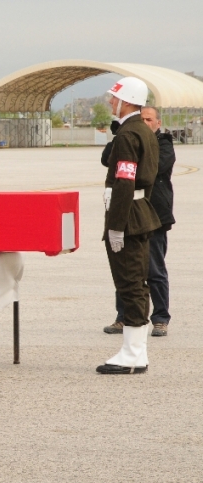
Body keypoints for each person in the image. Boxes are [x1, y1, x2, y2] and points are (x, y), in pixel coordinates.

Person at [96, 77, 162, 375]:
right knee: (135, 281)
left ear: (128, 101)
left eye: (115, 98)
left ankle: (134, 353)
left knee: (130, 282)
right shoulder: (143, 131)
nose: (111, 102)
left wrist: (117, 225)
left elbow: (125, 180)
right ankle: (134, 350)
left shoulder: (128, 134)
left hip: (128, 215)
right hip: (139, 210)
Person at [102, 106, 175, 337]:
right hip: (130, 215)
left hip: (154, 214)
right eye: (140, 119)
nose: (144, 122)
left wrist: (132, 147)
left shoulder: (162, 144)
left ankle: (160, 317)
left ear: (158, 123)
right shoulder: (128, 138)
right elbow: (107, 159)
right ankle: (123, 316)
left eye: (149, 119)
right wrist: (120, 135)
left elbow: (152, 169)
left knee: (154, 269)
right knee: (126, 269)